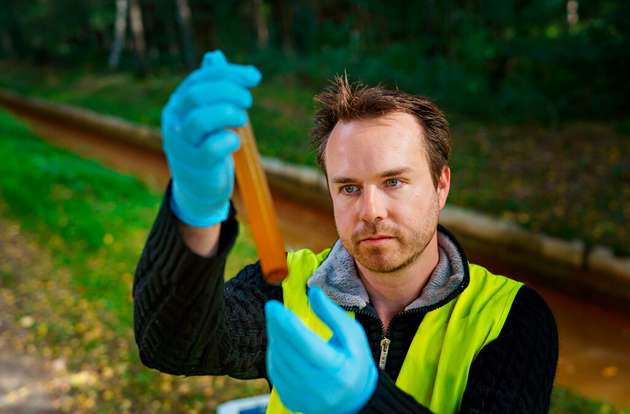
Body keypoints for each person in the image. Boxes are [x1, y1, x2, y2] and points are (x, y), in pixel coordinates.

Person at [133, 50, 558, 413]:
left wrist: (364, 401)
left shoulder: (511, 319)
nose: (371, 211)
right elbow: (171, 345)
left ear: (441, 185)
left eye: (393, 182)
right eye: (349, 188)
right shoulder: (290, 284)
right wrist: (195, 209)